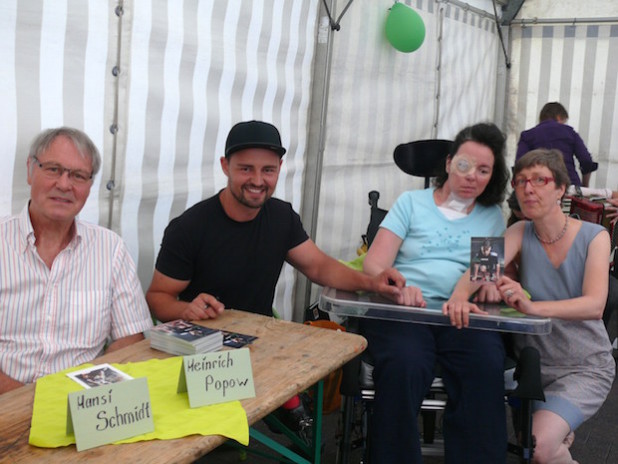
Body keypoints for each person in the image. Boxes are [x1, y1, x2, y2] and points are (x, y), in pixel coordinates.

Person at [145, 120, 405, 431]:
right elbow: (158, 298)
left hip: (260, 346)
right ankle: (284, 415)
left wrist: (371, 282)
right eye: (246, 169)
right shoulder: (190, 227)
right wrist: (186, 309)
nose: (257, 180)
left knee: (308, 401)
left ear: (280, 168)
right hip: (202, 354)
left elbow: (319, 267)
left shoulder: (282, 217)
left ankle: (289, 416)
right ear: (225, 166)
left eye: (268, 170)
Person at [449, 149, 615, 464]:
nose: (528, 188)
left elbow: (594, 305)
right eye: (522, 181)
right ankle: (557, 429)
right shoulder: (516, 231)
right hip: (533, 368)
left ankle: (556, 431)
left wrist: (531, 307)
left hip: (584, 366)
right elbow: (478, 269)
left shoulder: (596, 236)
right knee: (535, 445)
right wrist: (463, 294)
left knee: (539, 449)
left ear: (561, 189)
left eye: (540, 180)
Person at [360, 122, 510, 463]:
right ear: (448, 164)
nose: (472, 176)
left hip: (462, 315)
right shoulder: (411, 203)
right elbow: (374, 265)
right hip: (404, 312)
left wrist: (488, 283)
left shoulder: (491, 217)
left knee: (485, 364)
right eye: (464, 165)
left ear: (492, 176)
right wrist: (399, 287)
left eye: (484, 170)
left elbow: (484, 275)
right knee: (404, 363)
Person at [0, 127, 153, 395]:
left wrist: (79, 396)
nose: (64, 184)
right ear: (29, 170)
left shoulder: (110, 249)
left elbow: (131, 339)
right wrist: (27, 400)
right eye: (53, 169)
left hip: (82, 404)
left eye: (78, 175)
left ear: (90, 185)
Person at [516, 102, 597, 187]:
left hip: (539, 186)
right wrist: (584, 187)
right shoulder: (570, 133)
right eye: (564, 121)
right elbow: (586, 161)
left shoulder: (527, 135)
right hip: (569, 185)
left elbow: (520, 165)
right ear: (559, 117)